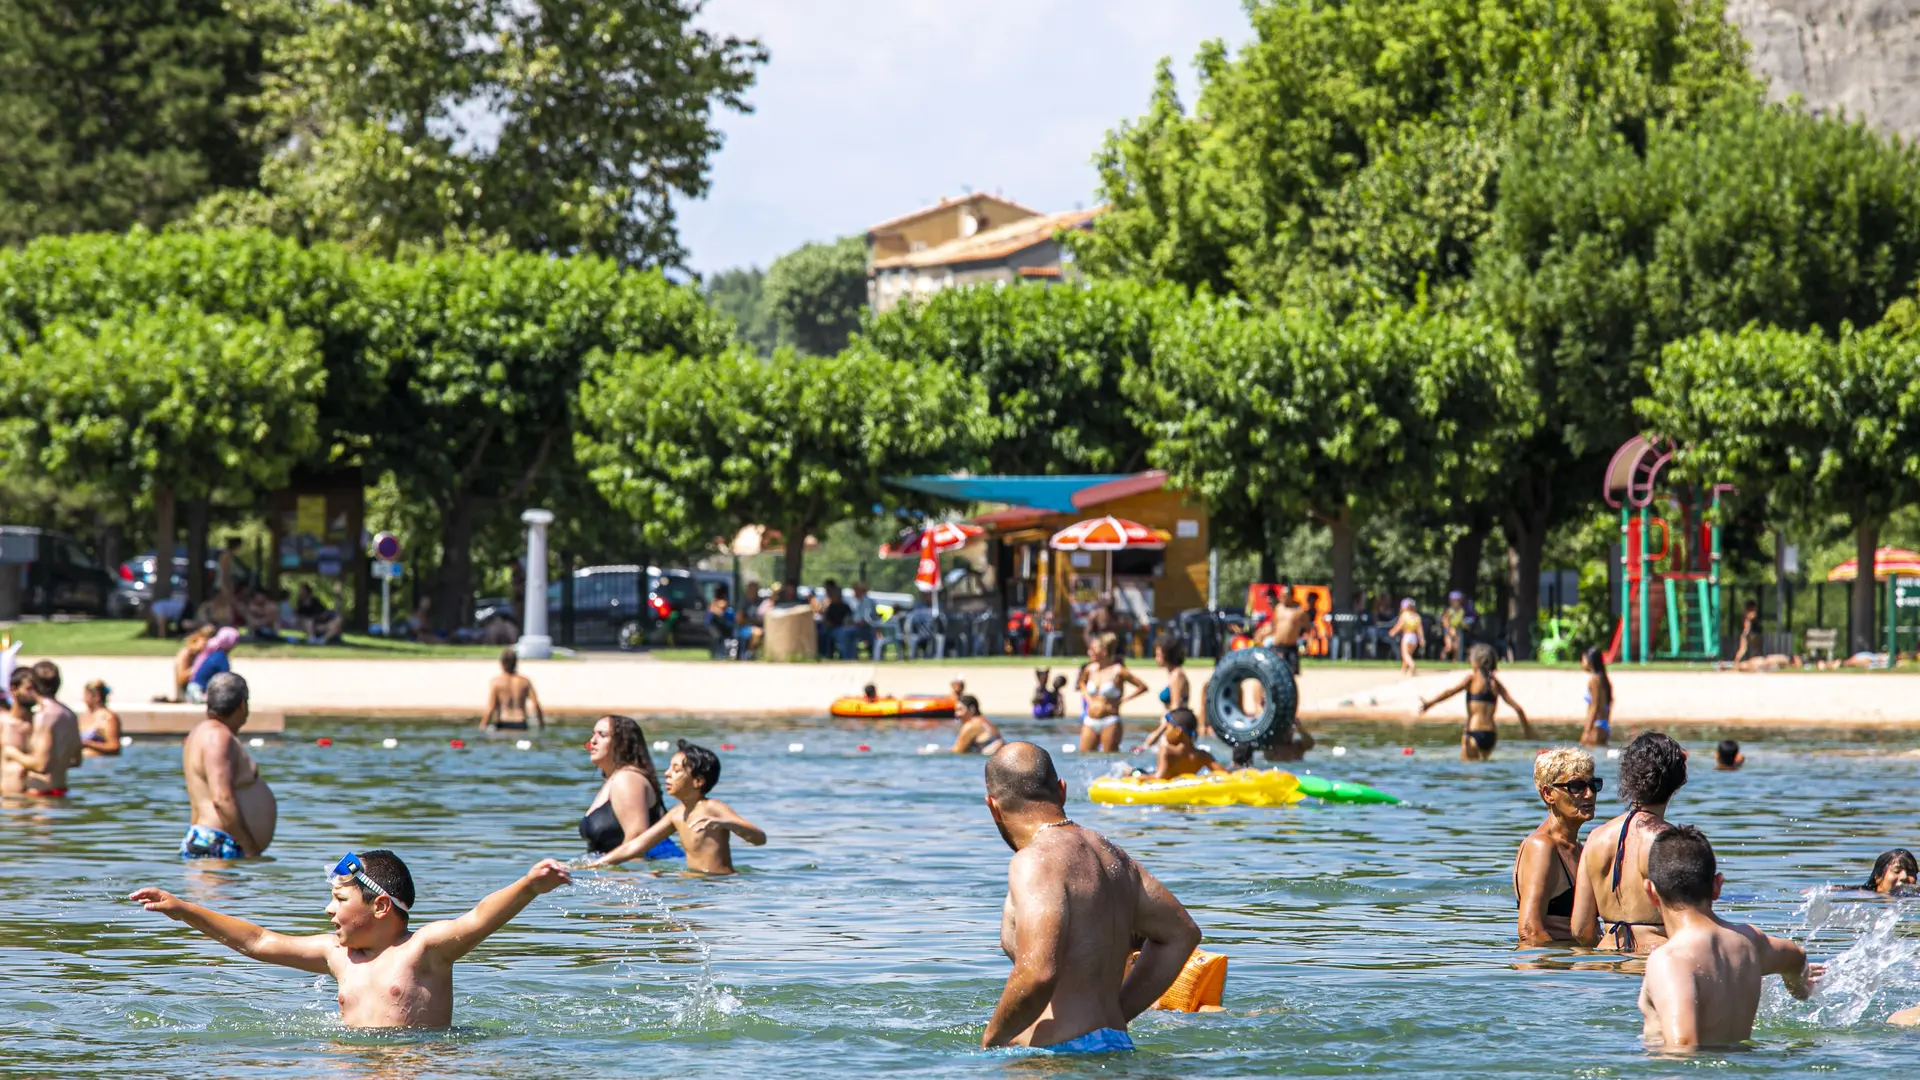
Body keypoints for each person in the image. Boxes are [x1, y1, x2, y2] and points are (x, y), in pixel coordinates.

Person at [129, 851, 572, 1029]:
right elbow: (258, 942)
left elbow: (478, 916)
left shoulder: (425, 950)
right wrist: (183, 908)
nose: (328, 910)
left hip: (416, 1066)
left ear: (380, 907)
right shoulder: (337, 954)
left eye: (339, 899)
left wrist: (528, 886)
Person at [980, 742, 1200, 1051]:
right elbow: (1182, 933)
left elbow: (1037, 972)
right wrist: (1117, 1014)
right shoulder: (1112, 855)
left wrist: (990, 1043)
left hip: (1058, 1057)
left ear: (993, 807)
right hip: (1117, 1045)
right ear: (1062, 790)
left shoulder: (1033, 861)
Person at [1636, 826, 1821, 1049]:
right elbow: (1797, 958)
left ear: (1650, 892)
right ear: (1717, 886)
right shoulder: (1749, 942)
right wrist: (1801, 989)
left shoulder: (1669, 960)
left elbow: (1683, 1046)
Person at [1572, 731, 1688, 953]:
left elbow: (1580, 929)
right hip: (1653, 959)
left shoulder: (1596, 837)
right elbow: (1687, 926)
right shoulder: (1671, 842)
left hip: (1603, 963)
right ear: (1678, 781)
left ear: (1628, 777)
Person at [587, 740, 764, 874]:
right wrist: (595, 864)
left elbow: (759, 839)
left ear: (698, 781)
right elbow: (637, 846)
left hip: (719, 884)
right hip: (693, 883)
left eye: (676, 770)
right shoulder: (676, 814)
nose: (667, 774)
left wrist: (727, 823)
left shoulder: (712, 808)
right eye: (669, 768)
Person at [181, 672, 276, 858]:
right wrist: (250, 849)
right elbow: (222, 798)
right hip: (219, 844)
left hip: (209, 841)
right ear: (242, 705)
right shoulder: (218, 737)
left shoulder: (199, 733)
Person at [1513, 747, 1599, 945]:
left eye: (1593, 785)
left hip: (1574, 967)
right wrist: (1562, 967)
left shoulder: (1578, 848)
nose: (1589, 794)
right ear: (1548, 794)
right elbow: (1529, 931)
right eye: (1576, 786)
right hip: (1551, 969)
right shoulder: (1541, 847)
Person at [579, 715, 683, 861]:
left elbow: (636, 842)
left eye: (602, 735)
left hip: (640, 874)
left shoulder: (628, 779)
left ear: (622, 743)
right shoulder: (614, 779)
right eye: (593, 734)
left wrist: (619, 878)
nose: (593, 741)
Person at [1418, 644, 1533, 761]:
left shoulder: (1471, 679)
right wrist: (1528, 732)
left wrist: (1430, 703)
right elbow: (1518, 709)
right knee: (1484, 771)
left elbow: (1449, 693)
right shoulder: (1495, 683)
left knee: (1469, 773)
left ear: (1476, 661)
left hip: (1473, 732)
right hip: (1491, 735)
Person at [3, 662, 83, 797]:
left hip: (40, 795)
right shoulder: (70, 714)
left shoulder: (44, 716)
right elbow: (76, 760)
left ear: (34, 685)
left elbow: (41, 766)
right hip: (61, 791)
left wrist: (12, 753)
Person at [1077, 633, 1149, 754]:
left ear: (1104, 651)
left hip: (1110, 720)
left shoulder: (1119, 670)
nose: (1090, 652)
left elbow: (1142, 687)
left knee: (1109, 756)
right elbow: (1081, 683)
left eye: (1093, 649)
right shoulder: (1090, 669)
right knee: (1084, 756)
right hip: (1090, 720)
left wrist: (1123, 700)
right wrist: (1088, 698)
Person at [1135, 636, 1195, 751]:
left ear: (1167, 655)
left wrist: (1157, 734)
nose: (1155, 658)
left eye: (1158, 654)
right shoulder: (1173, 675)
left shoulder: (1177, 676)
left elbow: (1175, 709)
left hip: (1175, 728)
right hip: (1169, 727)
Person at [482, 648, 544, 731]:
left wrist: (482, 726)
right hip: (521, 723)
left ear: (502, 663)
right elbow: (536, 704)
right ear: (516, 663)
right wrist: (542, 725)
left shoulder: (496, 682)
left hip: (503, 722)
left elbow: (491, 708)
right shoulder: (525, 681)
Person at [1152, 709, 1217, 780]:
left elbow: (1158, 778)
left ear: (1178, 731)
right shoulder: (1203, 756)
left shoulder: (1166, 751)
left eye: (1167, 728)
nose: (1165, 733)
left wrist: (1140, 777)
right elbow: (1225, 774)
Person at [161, 625, 215, 703]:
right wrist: (198, 667)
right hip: (185, 696)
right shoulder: (186, 653)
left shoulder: (210, 655)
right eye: (205, 640)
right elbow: (180, 679)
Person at [185, 626, 239, 704]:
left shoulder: (214, 653)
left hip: (191, 690)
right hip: (198, 693)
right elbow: (225, 680)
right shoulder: (220, 658)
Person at [80, 680, 122, 756]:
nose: (83, 699)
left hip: (101, 764)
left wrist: (87, 744)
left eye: (86, 695)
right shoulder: (83, 717)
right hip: (83, 764)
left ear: (96, 696)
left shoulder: (108, 718)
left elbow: (115, 747)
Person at [1581, 647, 1613, 747]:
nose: (1582, 663)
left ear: (1590, 661)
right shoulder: (1603, 678)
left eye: (1583, 659)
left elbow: (1595, 706)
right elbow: (1610, 702)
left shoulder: (1595, 680)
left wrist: (1586, 731)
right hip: (1603, 726)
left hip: (1596, 727)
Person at [1390, 599, 1425, 676]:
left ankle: (1412, 665)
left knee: (1405, 655)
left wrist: (1393, 631)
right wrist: (1422, 639)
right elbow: (1419, 630)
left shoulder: (1404, 615)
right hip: (1414, 638)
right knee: (1408, 655)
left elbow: (1399, 626)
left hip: (1407, 636)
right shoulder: (1417, 617)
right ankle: (1403, 670)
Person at [817, 578, 850, 657]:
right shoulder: (831, 606)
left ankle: (830, 654)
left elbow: (848, 619)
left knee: (828, 633)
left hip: (840, 628)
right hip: (831, 627)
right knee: (821, 632)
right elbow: (826, 618)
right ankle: (825, 654)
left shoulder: (844, 607)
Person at [1441, 591, 1470, 661]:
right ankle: (1443, 654)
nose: (1456, 602)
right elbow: (1445, 621)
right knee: (1449, 646)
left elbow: (1461, 620)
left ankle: (1455, 662)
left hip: (1457, 629)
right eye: (1454, 600)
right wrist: (1449, 629)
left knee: (1457, 647)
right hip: (1449, 630)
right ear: (1451, 601)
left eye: (1458, 600)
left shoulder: (1461, 611)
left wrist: (1465, 625)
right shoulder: (1449, 610)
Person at [1733, 600, 1761, 664]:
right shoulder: (1751, 614)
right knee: (1744, 649)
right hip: (1749, 633)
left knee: (1754, 648)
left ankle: (1754, 661)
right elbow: (1749, 623)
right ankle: (1736, 662)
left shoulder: (1746, 613)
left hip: (1748, 633)